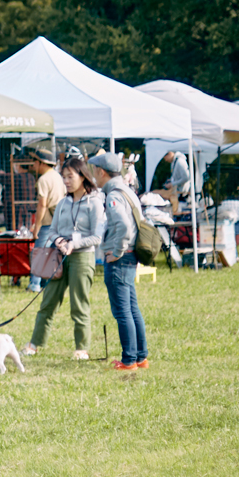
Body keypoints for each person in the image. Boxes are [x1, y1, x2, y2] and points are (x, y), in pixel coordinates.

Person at [26, 154, 104, 360]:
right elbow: (51, 230)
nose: (66, 181)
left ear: (82, 176)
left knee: (79, 305)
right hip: (58, 256)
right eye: (64, 177)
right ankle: (34, 344)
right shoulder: (62, 203)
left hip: (82, 258)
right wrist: (59, 240)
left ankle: (82, 348)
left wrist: (74, 244)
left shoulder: (94, 203)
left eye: (70, 177)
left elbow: (97, 236)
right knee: (48, 302)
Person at [91, 151, 149, 370]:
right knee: (132, 308)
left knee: (122, 311)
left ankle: (129, 360)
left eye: (95, 171)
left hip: (120, 258)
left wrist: (117, 250)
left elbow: (123, 226)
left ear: (102, 172)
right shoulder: (127, 190)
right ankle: (140, 357)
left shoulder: (114, 194)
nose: (94, 175)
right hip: (131, 255)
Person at [23, 141, 64, 292]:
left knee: (39, 252)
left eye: (35, 161)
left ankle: (34, 284)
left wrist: (36, 226)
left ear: (41, 163)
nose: (33, 165)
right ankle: (46, 283)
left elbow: (42, 205)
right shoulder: (57, 176)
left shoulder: (43, 180)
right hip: (58, 221)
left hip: (47, 222)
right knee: (51, 253)